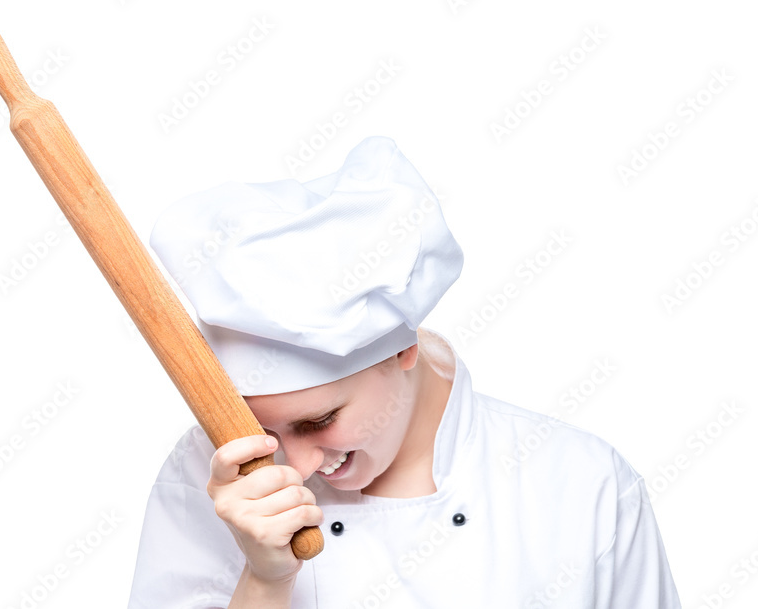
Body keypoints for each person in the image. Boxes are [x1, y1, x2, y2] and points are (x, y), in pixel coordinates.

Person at [128, 136, 681, 608]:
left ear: (401, 350)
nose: (295, 465)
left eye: (318, 421)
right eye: (261, 431)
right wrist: (265, 580)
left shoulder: (582, 483)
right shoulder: (205, 478)